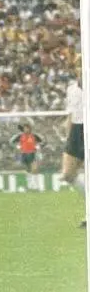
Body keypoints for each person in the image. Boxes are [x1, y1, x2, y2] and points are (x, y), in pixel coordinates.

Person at [62, 75, 84, 227]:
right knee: (68, 174)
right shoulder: (72, 89)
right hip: (77, 131)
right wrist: (67, 137)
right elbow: (70, 115)